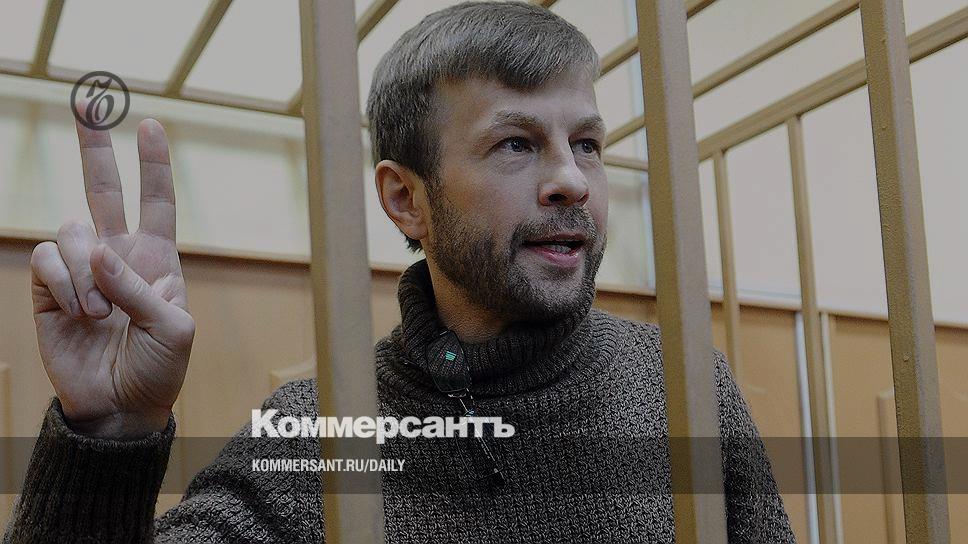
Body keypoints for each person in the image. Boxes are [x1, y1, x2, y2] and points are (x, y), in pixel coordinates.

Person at [3, 2, 794, 543]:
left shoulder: (684, 382)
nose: (571, 180)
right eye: (516, 144)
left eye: (585, 143)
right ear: (405, 200)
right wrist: (107, 436)